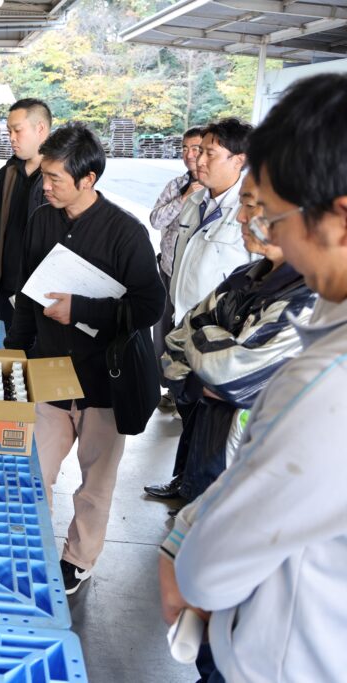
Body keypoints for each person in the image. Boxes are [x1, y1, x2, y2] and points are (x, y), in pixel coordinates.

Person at [159, 72, 347, 683]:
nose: (266, 235)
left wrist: (181, 556)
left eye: (275, 214)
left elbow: (213, 565)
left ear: (338, 215)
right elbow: (188, 330)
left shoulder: (328, 379)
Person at [4, 122, 165, 595]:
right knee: (33, 472)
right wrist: (17, 352)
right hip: (51, 369)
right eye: (44, 175)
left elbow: (149, 306)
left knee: (95, 483)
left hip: (104, 381)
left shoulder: (126, 233)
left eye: (54, 178)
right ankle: (26, 547)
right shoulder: (42, 220)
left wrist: (84, 309)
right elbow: (29, 296)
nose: (45, 185)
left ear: (87, 180)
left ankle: (78, 557)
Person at [144, 172, 315, 506]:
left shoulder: (309, 300)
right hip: (210, 462)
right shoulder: (244, 278)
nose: (239, 216)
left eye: (251, 205)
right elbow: (176, 342)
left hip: (255, 491)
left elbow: (232, 377)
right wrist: (203, 373)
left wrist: (206, 350)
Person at [170, 119, 256, 326]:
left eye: (210, 154)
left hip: (221, 331)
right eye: (200, 152)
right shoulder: (193, 202)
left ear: (238, 160)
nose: (199, 161)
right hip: (181, 322)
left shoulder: (251, 211)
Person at [149, 127, 203, 410]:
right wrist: (183, 198)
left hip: (197, 282)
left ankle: (190, 394)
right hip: (168, 271)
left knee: (193, 337)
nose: (189, 155)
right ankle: (170, 387)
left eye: (195, 148)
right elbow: (156, 220)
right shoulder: (176, 186)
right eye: (184, 148)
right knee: (163, 335)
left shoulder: (217, 192)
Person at [0, 98, 51, 328]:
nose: (11, 137)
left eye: (17, 130)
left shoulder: (60, 177)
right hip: (4, 286)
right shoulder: (8, 173)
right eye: (9, 131)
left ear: (40, 129)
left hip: (39, 293)